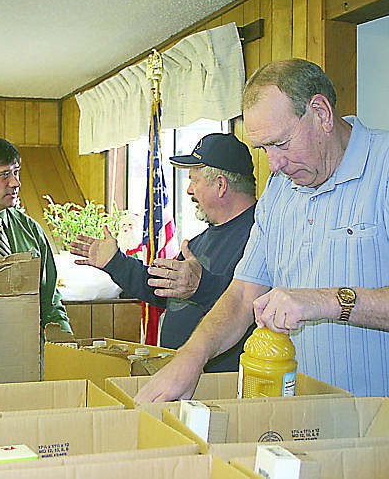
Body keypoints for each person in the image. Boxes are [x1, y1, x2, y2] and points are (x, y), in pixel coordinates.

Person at [135, 58, 389, 425]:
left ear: (321, 113)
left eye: (281, 143)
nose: (274, 164)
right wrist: (191, 358)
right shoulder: (279, 191)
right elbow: (242, 295)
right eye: (263, 149)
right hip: (315, 428)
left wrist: (326, 301)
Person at [71, 133, 256, 371]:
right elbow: (161, 289)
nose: (189, 190)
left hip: (223, 388)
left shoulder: (261, 238)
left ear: (220, 185)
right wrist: (115, 262)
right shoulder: (199, 243)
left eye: (194, 180)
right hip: (181, 378)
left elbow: (253, 306)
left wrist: (202, 287)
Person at [0, 135, 72, 334]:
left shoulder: (31, 230)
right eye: (4, 174)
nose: (15, 183)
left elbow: (50, 298)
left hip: (26, 344)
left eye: (16, 172)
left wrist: (64, 339)